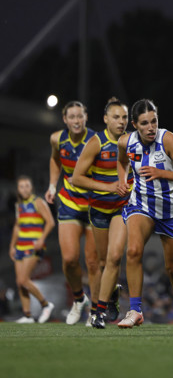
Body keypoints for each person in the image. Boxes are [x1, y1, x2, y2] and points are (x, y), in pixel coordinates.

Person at [115, 99, 173, 331]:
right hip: (141, 205)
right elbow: (122, 161)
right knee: (132, 251)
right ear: (134, 124)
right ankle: (135, 310)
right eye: (144, 123)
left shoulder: (168, 139)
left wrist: (161, 172)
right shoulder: (125, 141)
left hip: (172, 210)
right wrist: (122, 180)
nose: (151, 127)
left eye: (154, 121)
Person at [72, 97, 132, 328]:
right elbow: (77, 177)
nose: (121, 121)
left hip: (122, 207)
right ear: (106, 119)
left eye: (124, 117)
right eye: (116, 117)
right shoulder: (97, 142)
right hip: (98, 210)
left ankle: (98, 311)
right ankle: (113, 294)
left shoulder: (132, 142)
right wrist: (108, 186)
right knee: (102, 262)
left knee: (115, 257)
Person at [45, 100, 100, 325]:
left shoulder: (97, 141)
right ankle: (79, 299)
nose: (76, 121)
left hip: (95, 205)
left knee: (93, 262)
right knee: (68, 260)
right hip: (69, 202)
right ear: (64, 119)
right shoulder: (57, 139)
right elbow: (55, 159)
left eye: (80, 116)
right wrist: (51, 185)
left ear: (86, 118)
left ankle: (96, 310)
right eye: (72, 117)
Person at [9, 176, 56, 323]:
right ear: (18, 189)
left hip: (33, 245)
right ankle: (27, 315)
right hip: (20, 246)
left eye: (27, 186)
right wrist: (12, 245)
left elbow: (50, 222)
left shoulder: (38, 202)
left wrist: (41, 239)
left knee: (24, 280)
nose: (24, 189)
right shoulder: (19, 205)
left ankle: (46, 305)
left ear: (31, 188)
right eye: (21, 186)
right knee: (19, 282)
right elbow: (17, 226)